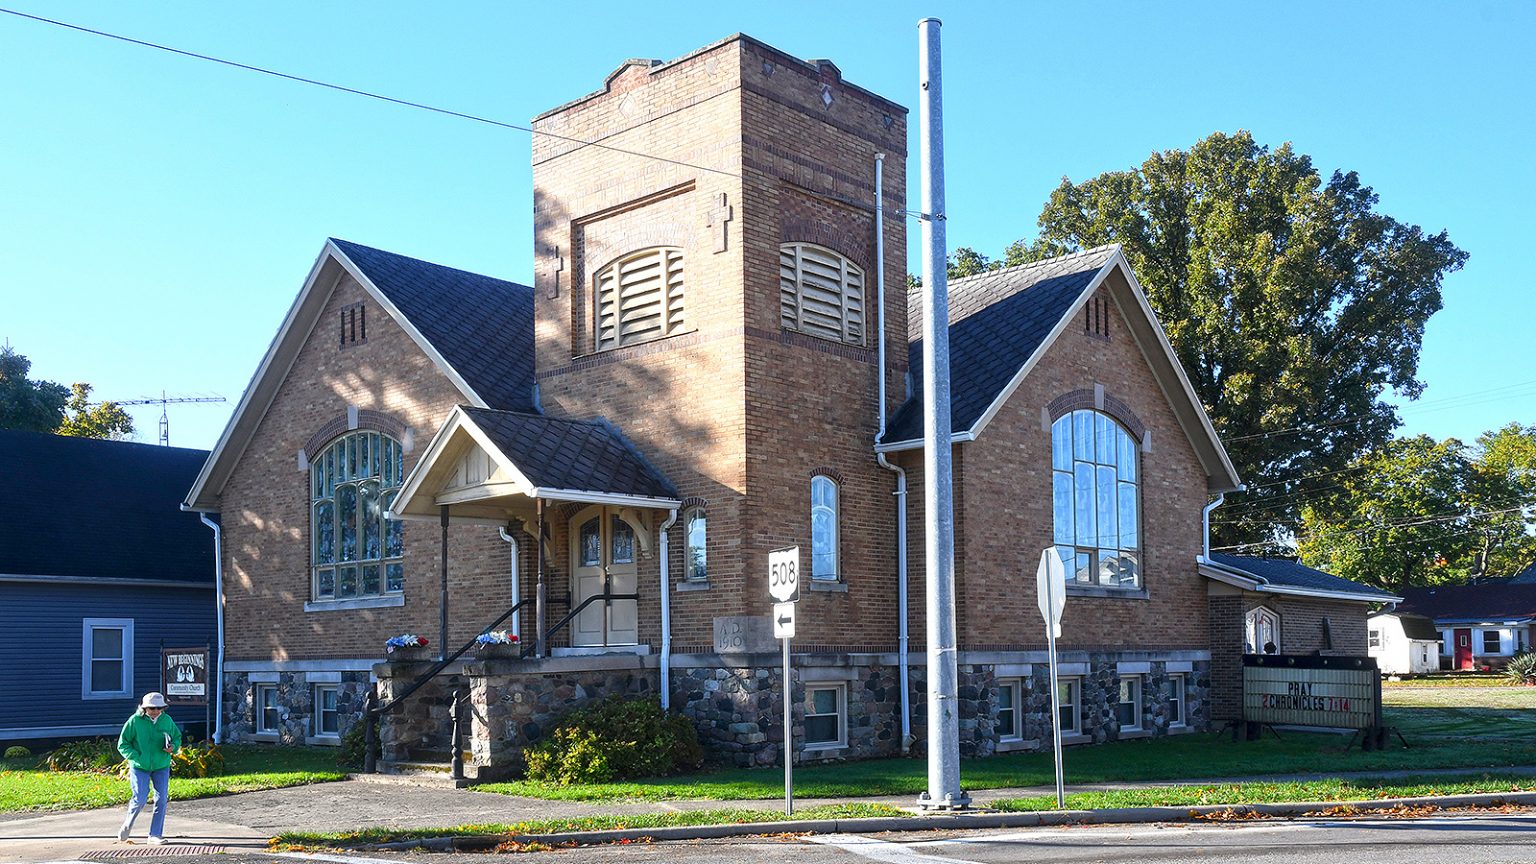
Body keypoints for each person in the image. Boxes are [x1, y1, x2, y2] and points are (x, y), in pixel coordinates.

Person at [116, 692, 181, 844]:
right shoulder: (134, 721)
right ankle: (128, 824)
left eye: (159, 708)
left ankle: (155, 835)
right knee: (140, 798)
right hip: (140, 766)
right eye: (152, 708)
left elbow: (177, 737)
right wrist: (136, 756)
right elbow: (123, 743)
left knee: (162, 798)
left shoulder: (167, 720)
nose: (156, 711)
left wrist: (173, 747)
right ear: (145, 708)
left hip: (161, 765)